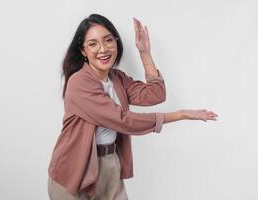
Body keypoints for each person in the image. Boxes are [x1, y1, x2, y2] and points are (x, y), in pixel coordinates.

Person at [47, 14, 218, 200]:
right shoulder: (79, 83)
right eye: (93, 44)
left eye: (108, 40)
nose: (103, 49)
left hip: (110, 164)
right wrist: (180, 115)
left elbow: (155, 94)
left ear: (116, 42)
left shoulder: (117, 79)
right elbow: (123, 120)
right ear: (83, 51)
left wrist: (144, 52)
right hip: (75, 170)